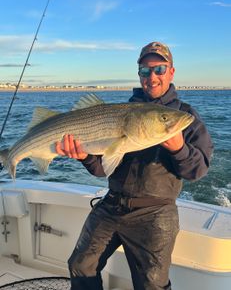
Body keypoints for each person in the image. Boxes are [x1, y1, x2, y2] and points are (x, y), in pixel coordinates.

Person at [56, 41, 213, 290]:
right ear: (139, 74)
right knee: (81, 264)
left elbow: (198, 169)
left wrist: (178, 149)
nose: (152, 77)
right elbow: (102, 169)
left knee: (152, 284)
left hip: (155, 213)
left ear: (171, 71)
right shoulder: (122, 111)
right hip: (112, 204)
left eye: (159, 69)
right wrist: (85, 156)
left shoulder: (184, 117)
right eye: (145, 71)